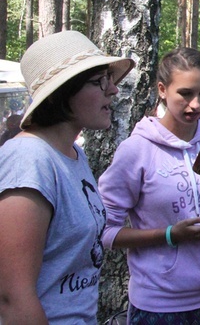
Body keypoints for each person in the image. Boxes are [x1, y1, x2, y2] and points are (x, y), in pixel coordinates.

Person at [98, 48, 200, 324]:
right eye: (185, 93)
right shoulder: (136, 151)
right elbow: (104, 232)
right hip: (160, 304)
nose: (196, 105)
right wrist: (168, 235)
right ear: (162, 90)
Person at [0, 30, 134, 324]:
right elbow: (12, 298)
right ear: (63, 93)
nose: (113, 90)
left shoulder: (72, 153)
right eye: (100, 81)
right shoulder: (28, 160)